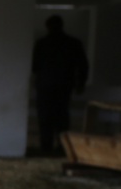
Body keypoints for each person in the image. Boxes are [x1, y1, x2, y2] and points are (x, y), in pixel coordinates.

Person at [32, 14, 89, 156]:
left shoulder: (42, 43)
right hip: (64, 84)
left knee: (45, 116)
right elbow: (83, 66)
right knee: (62, 116)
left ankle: (46, 146)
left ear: (47, 27)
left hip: (46, 85)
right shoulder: (73, 43)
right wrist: (80, 83)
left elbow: (35, 66)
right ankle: (62, 146)